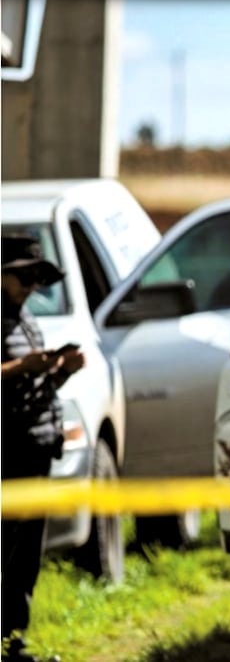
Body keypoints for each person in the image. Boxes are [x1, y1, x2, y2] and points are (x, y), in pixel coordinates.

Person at [2, 235, 85, 662]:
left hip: (36, 449)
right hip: (7, 455)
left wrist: (60, 371)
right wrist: (22, 366)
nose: (32, 285)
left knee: (24, 556)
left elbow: (37, 390)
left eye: (37, 277)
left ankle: (15, 642)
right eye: (25, 276)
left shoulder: (25, 318)